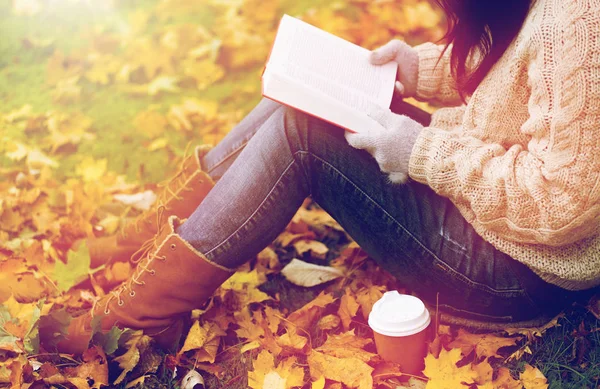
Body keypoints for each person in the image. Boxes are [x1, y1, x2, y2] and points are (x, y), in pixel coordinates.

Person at [57, 0, 600, 354]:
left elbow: (561, 202)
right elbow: (512, 59)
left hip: (516, 271)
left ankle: (139, 317)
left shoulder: (583, 24)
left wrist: (424, 151)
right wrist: (417, 69)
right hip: (489, 218)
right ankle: (155, 243)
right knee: (303, 94)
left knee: (305, 131)